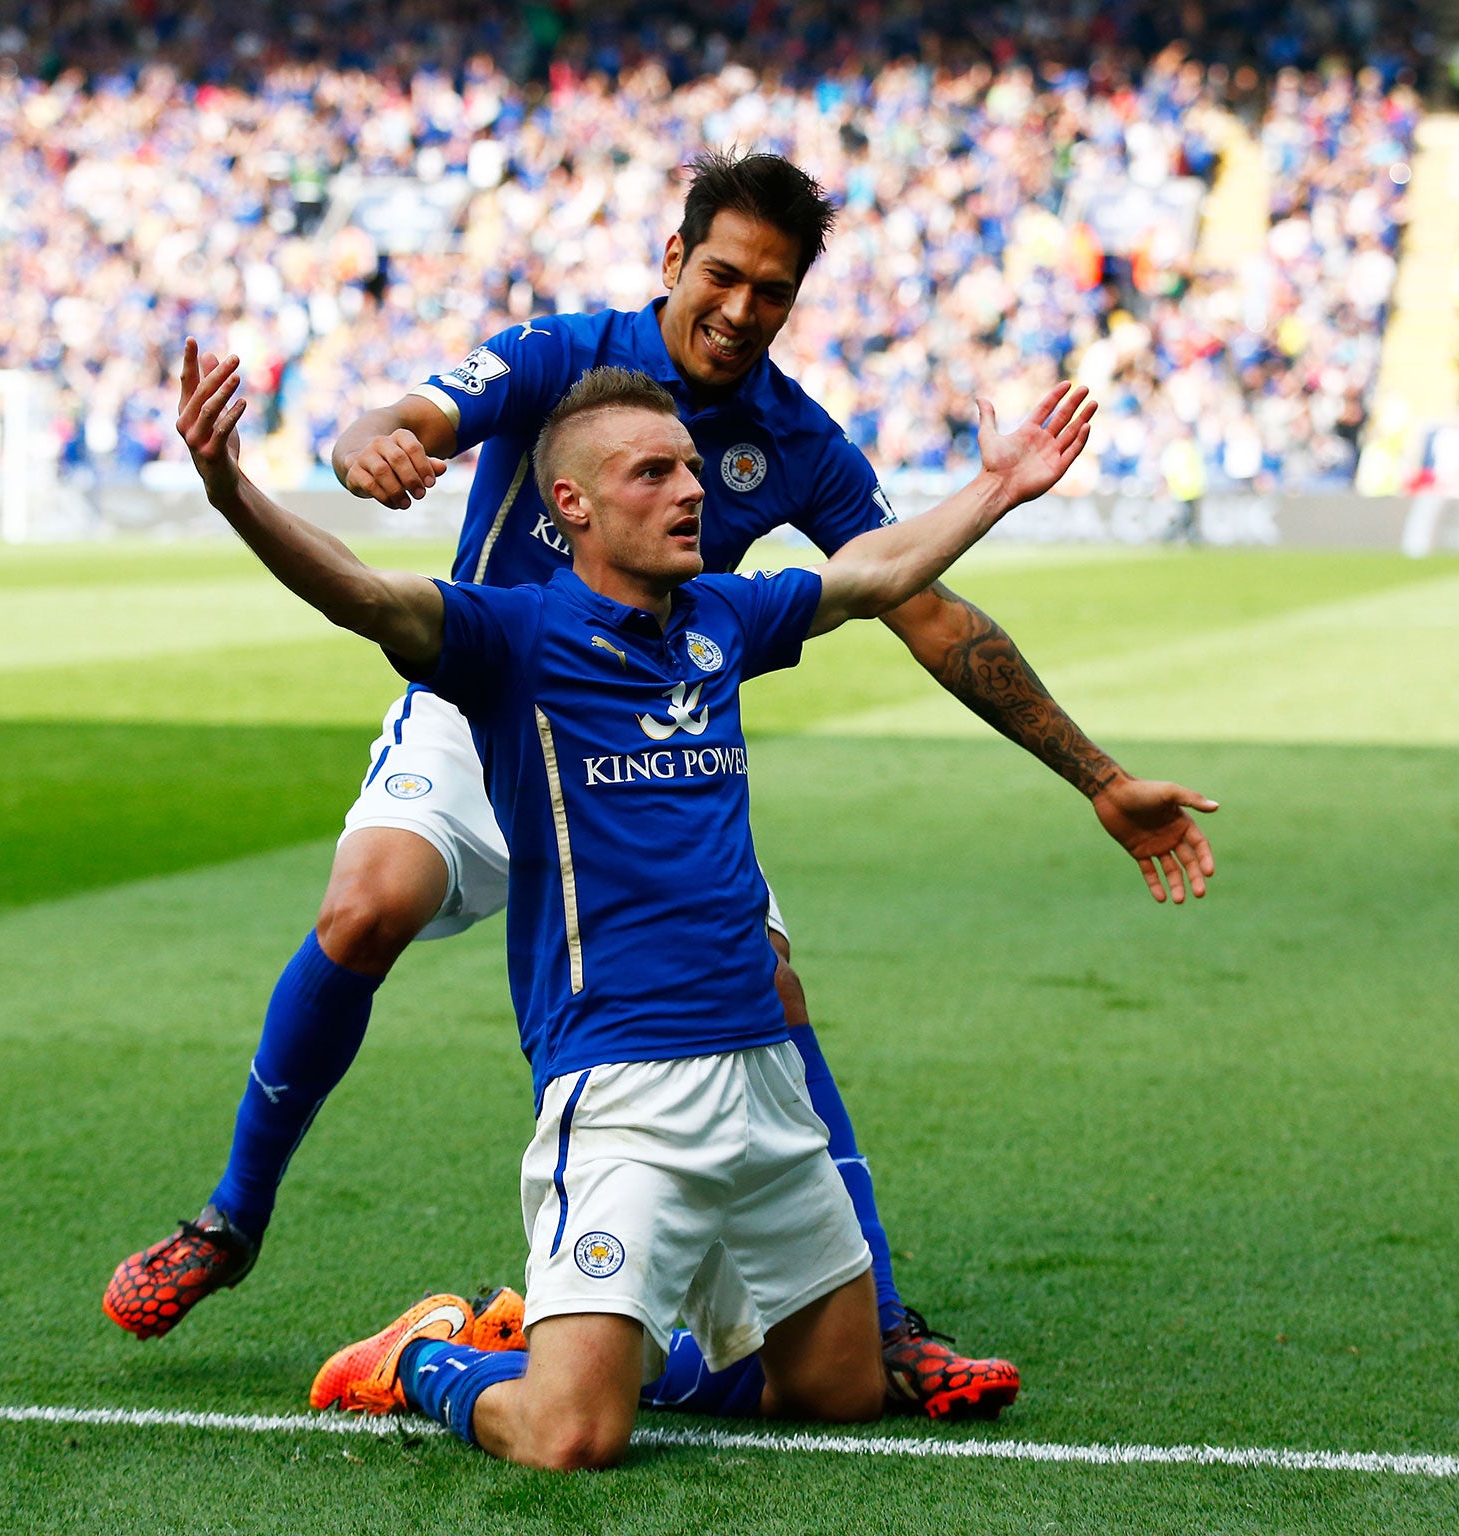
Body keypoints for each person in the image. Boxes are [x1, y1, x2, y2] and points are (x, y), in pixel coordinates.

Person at [104, 152, 1219, 1418]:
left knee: (770, 980)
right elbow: (402, 427)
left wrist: (1096, 777)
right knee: (368, 904)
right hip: (491, 700)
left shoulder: (796, 443)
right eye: (725, 275)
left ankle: (875, 1323)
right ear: (672, 261)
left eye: (775, 292)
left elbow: (908, 598)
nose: (744, 309)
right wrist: (370, 449)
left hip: (647, 742)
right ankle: (230, 1222)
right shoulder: (562, 355)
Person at [178, 349, 1102, 1468]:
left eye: (690, 469)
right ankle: (424, 1357)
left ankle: (592, 1345)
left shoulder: (724, 616)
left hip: (763, 1080)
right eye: (652, 473)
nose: (690, 490)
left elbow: (874, 574)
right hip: (621, 1089)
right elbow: (359, 592)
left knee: (837, 1393)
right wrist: (231, 488)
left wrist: (997, 487)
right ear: (569, 505)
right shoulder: (507, 641)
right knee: (570, 1438)